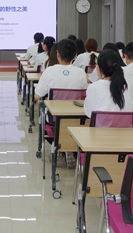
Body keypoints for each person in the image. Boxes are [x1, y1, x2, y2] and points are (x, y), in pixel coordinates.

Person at [34, 39, 88, 169]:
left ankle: (59, 146)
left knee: (42, 109)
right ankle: (67, 147)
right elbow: (84, 95)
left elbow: (37, 96)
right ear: (75, 56)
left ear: (58, 54)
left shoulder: (49, 71)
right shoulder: (80, 73)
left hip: (54, 119)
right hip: (77, 118)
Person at [84, 49, 133, 117]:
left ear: (98, 68)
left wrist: (99, 81)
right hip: (125, 124)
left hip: (101, 124)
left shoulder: (93, 87)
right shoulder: (128, 86)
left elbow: (89, 113)